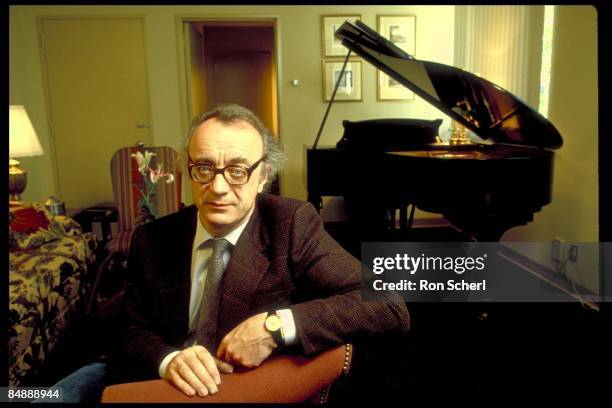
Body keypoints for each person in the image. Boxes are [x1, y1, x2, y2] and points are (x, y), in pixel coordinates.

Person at [49, 104, 410, 402]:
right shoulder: (152, 238)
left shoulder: (292, 223)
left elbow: (387, 303)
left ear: (262, 175)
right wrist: (169, 359)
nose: (218, 188)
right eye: (204, 168)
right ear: (187, 170)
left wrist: (275, 326)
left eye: (237, 170)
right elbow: (130, 328)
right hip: (154, 378)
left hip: (241, 387)